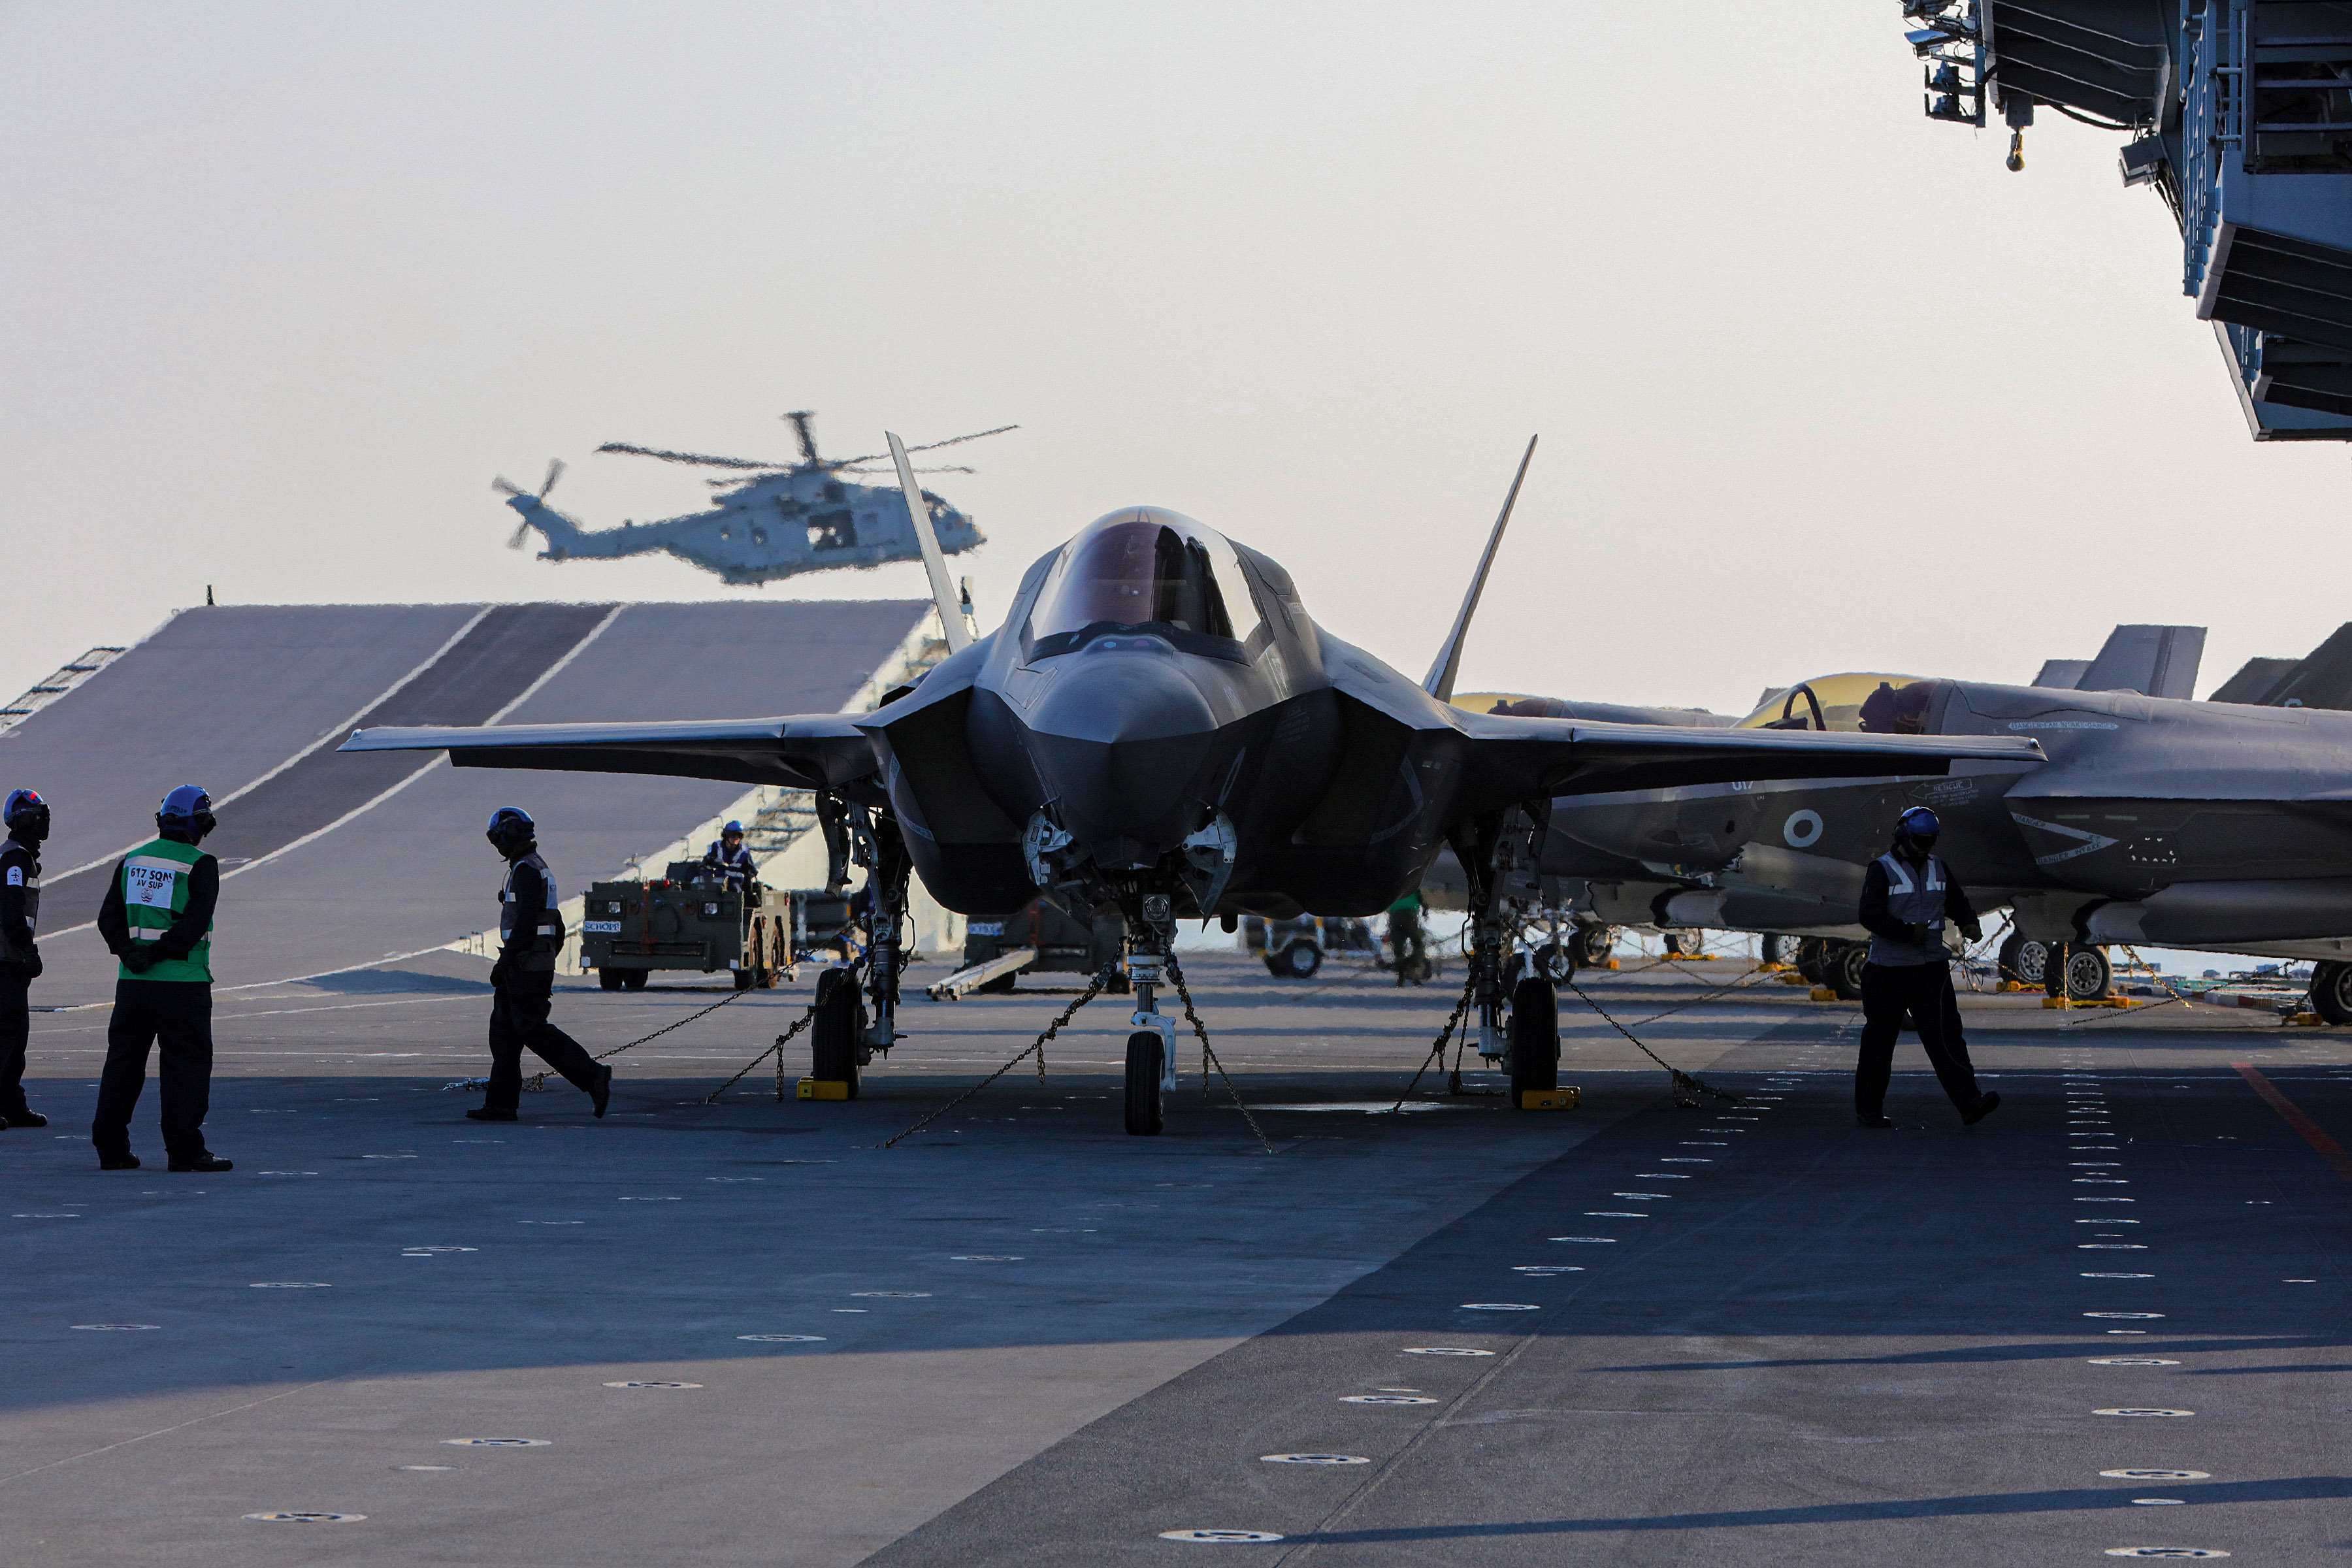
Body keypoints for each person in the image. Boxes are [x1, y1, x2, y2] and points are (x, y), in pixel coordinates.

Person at [93, 786, 230, 1171]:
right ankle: (185, 1152)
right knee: (186, 1067)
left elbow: (108, 918)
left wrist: (130, 953)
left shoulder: (133, 860)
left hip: (133, 985)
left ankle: (111, 1149)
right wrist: (155, 954)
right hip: (182, 984)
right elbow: (193, 925)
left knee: (123, 1064)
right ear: (199, 823)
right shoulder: (200, 864)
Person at [1854, 806, 2000, 1129]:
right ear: (1903, 836)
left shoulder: (1938, 867)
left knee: (1948, 1038)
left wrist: (1969, 922)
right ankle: (1869, 1111)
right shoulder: (1882, 870)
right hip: (1888, 971)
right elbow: (1869, 914)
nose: (1925, 848)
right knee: (1879, 1043)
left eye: (1930, 842)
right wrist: (1906, 932)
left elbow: (1956, 901)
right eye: (1920, 841)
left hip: (1931, 969)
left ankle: (1970, 1103)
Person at [473, 807, 610, 1123]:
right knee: (504, 1035)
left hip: (524, 966)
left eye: (498, 838)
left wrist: (508, 961)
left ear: (509, 835)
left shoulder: (525, 871)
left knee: (532, 1030)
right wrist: (545, 958)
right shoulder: (535, 866)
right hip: (530, 963)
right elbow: (557, 926)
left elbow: (524, 926)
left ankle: (593, 1076)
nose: (497, 845)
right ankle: (500, 1105)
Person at [0, 789, 50, 1129]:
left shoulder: (20, 857)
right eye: (37, 816)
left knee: (16, 1035)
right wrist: (28, 950)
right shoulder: (14, 859)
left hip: (11, 958)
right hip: (6, 958)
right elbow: (11, 906)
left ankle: (11, 1104)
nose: (43, 822)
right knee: (7, 1032)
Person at [1385, 889, 1429, 987]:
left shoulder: (1390, 884)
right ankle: (1412, 964)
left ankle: (1401, 970)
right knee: (1418, 943)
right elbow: (1418, 894)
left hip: (1394, 914)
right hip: (1410, 913)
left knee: (1398, 946)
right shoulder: (1412, 883)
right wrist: (1424, 907)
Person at [701, 820, 757, 894]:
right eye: (733, 835)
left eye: (739, 835)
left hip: (735, 882)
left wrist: (748, 879)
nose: (736, 838)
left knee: (735, 891)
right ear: (726, 836)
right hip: (717, 881)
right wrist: (714, 867)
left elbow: (752, 870)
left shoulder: (744, 852)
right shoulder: (716, 847)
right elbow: (705, 864)